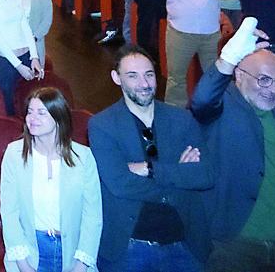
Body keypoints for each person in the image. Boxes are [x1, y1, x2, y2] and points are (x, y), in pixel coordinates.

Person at [189, 19, 275, 272]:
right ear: (239, 75)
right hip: (235, 243)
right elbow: (202, 101)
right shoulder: (223, 103)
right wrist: (229, 57)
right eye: (264, 80)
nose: (273, 89)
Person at [88, 46, 212, 272]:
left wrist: (149, 168)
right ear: (117, 78)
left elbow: (205, 175)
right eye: (132, 76)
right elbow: (119, 184)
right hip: (129, 248)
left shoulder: (182, 119)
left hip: (185, 244)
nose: (144, 84)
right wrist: (179, 174)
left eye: (149, 74)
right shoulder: (102, 125)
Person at [0, 87, 102, 272]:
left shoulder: (83, 157)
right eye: (30, 112)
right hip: (30, 251)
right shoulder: (14, 154)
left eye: (41, 113)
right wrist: (24, 265)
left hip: (72, 252)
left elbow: (92, 216)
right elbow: (9, 213)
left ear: (58, 117)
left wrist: (81, 265)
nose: (32, 118)